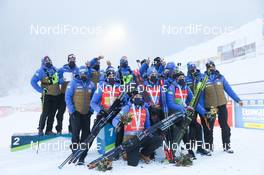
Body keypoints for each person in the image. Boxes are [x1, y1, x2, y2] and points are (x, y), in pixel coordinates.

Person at [201, 61, 243, 153]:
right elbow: (201, 95)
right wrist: (202, 109)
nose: (211, 68)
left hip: (222, 105)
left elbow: (229, 89)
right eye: (209, 67)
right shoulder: (203, 79)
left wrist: (237, 99)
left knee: (225, 126)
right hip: (211, 107)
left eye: (213, 66)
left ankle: (226, 146)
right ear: (207, 68)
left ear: (215, 67)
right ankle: (209, 147)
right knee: (209, 127)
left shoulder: (220, 77)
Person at [112, 91, 162, 166]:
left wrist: (150, 134)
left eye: (140, 98)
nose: (138, 100)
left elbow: (147, 126)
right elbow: (115, 120)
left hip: (141, 137)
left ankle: (144, 153)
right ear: (132, 99)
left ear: (142, 100)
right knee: (133, 163)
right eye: (136, 98)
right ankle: (127, 153)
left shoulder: (145, 110)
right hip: (130, 139)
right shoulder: (127, 108)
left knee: (158, 140)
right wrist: (118, 124)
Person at [166, 71, 208, 159]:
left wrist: (204, 112)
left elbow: (194, 101)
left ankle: (199, 148)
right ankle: (188, 151)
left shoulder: (186, 88)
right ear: (176, 79)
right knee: (183, 129)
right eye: (180, 78)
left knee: (198, 126)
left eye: (183, 77)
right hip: (174, 114)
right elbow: (170, 103)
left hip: (183, 113)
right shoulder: (172, 88)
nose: (182, 79)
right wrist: (182, 108)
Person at [65, 66, 95, 165]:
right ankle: (75, 152)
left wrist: (91, 110)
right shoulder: (73, 83)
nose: (83, 75)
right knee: (75, 135)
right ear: (78, 73)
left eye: (85, 73)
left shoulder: (91, 84)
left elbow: (94, 99)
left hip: (86, 114)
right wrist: (72, 110)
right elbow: (67, 97)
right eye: (82, 73)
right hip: (75, 113)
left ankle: (82, 156)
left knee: (86, 136)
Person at [31, 56, 63, 135]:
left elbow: (60, 80)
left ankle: (49, 130)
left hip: (56, 95)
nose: (48, 62)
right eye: (46, 61)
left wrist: (61, 80)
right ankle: (41, 129)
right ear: (43, 62)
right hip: (47, 95)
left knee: (52, 114)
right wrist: (41, 90)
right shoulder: (40, 71)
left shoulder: (55, 69)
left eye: (49, 60)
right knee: (45, 113)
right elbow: (33, 82)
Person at [185, 62, 211, 156]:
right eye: (191, 69)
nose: (193, 70)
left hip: (200, 104)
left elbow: (203, 87)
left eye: (194, 68)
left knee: (202, 126)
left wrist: (202, 77)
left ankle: (201, 147)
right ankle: (191, 148)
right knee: (192, 127)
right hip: (191, 105)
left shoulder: (200, 76)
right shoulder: (186, 78)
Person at [56, 54, 79, 134]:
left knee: (72, 112)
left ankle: (71, 130)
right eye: (70, 59)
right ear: (68, 60)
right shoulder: (62, 69)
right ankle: (59, 129)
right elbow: (57, 81)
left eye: (74, 59)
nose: (72, 60)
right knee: (60, 112)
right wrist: (63, 79)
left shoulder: (78, 70)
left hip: (73, 95)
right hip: (63, 93)